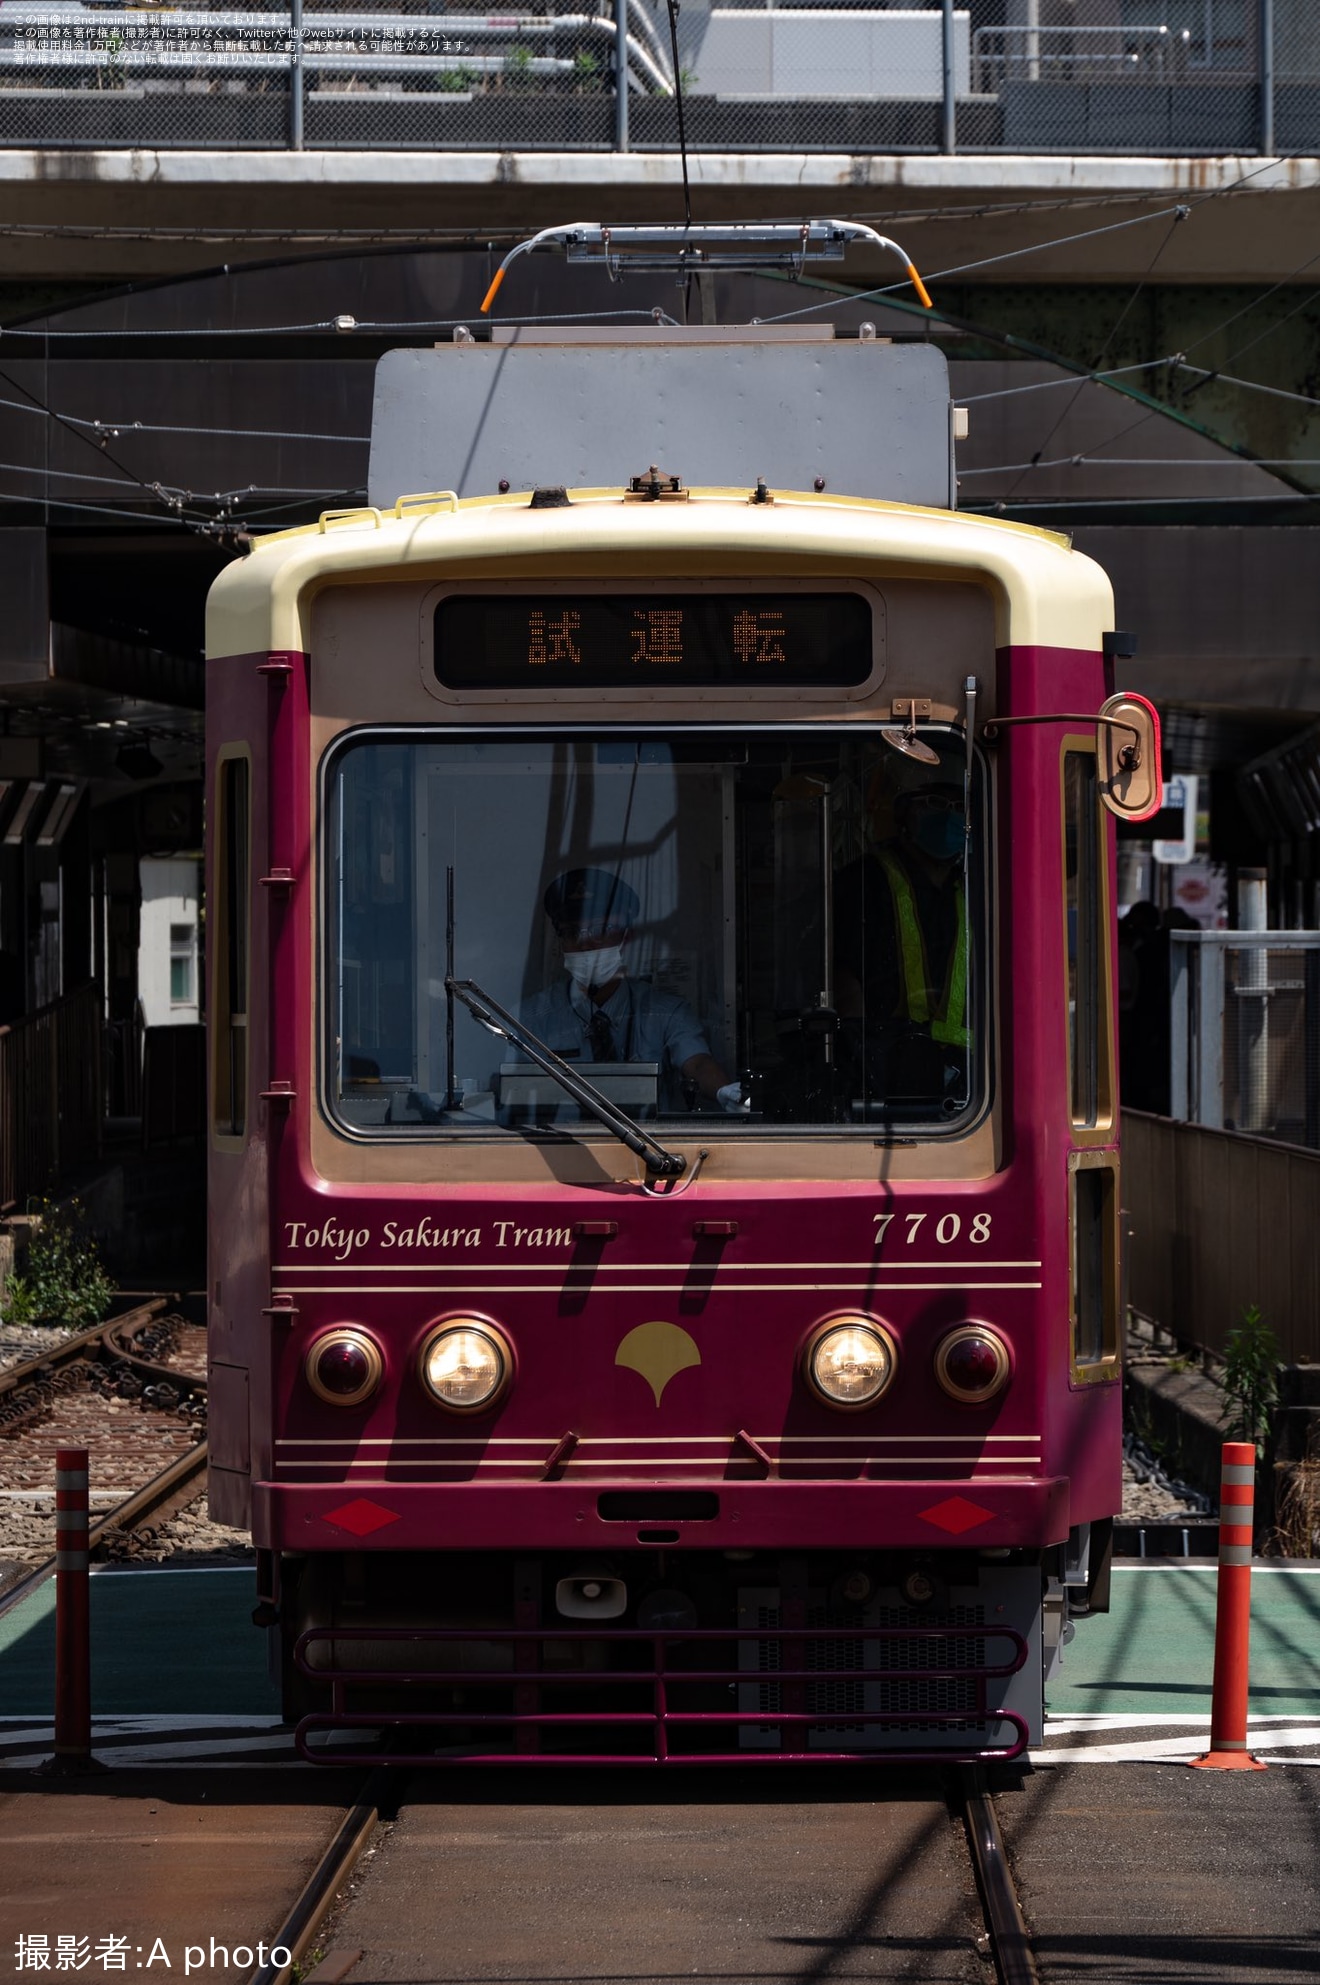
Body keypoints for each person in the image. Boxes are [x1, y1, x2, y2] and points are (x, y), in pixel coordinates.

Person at [521, 867, 741, 1111]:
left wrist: (724, 1091)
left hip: (646, 1144)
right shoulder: (534, 1019)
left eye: (600, 930)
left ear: (626, 937)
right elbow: (519, 1091)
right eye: (572, 933)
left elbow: (697, 1063)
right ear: (560, 943)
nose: (584, 942)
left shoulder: (664, 1012)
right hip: (565, 1145)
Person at [833, 778, 969, 1102]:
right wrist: (860, 1061)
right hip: (884, 1072)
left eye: (960, 807)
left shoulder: (975, 884)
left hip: (967, 1077)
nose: (949, 816)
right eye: (935, 803)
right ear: (903, 813)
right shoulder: (864, 881)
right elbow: (843, 978)